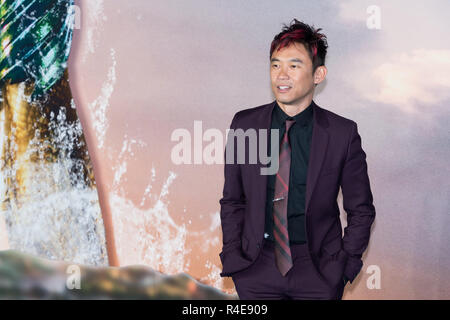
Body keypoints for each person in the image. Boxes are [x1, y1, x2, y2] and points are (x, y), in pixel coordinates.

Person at [218, 19, 376, 300]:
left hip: (317, 271)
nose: (282, 75)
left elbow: (361, 210)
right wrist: (234, 257)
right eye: (275, 64)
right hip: (256, 269)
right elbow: (233, 200)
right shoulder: (245, 124)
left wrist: (344, 266)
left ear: (318, 74)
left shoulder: (342, 134)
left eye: (294, 65)